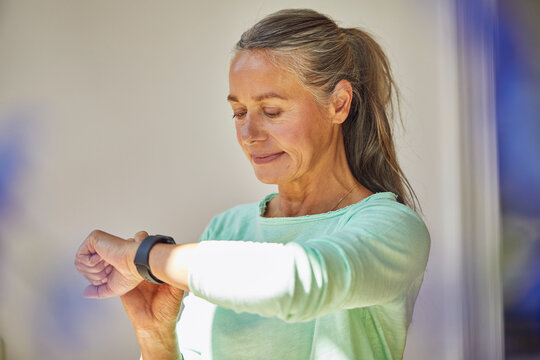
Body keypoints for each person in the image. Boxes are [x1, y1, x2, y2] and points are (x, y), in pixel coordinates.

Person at [74, 8, 430, 360]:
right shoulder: (227, 228)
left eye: (271, 111)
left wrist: (148, 257)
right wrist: (156, 339)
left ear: (338, 104)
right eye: (239, 112)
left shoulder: (392, 229)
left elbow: (297, 282)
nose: (249, 135)